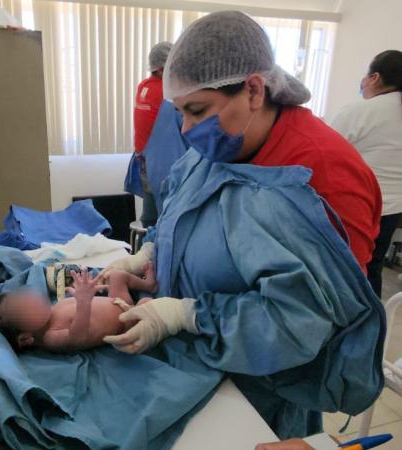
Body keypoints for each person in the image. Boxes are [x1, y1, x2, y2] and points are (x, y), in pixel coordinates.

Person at [102, 11, 385, 440]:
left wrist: (187, 314)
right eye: (179, 112)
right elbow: (183, 208)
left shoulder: (323, 175)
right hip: (194, 368)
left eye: (196, 110)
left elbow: (306, 319)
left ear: (253, 89)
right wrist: (152, 253)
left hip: (263, 388)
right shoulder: (221, 143)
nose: (186, 128)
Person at [330, 50, 402, 298]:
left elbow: (322, 152)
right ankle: (370, 329)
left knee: (340, 268)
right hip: (392, 209)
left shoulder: (360, 111)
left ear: (375, 78)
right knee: (373, 268)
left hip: (356, 207)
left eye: (365, 75)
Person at [0, 266, 157, 352]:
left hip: (116, 301)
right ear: (25, 339)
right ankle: (159, 304)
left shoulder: (53, 308)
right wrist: (84, 302)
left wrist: (80, 288)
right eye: (23, 308)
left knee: (116, 275)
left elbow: (69, 298)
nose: (30, 299)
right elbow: (78, 337)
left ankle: (149, 284)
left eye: (24, 297)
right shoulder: (50, 337)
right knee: (146, 305)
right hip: (126, 324)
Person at [133, 41, 173, 227]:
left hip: (144, 158)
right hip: (160, 161)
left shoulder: (143, 86)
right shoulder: (166, 91)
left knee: (150, 215)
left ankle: (145, 251)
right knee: (165, 217)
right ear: (163, 67)